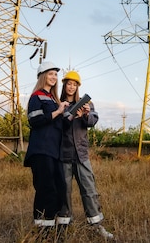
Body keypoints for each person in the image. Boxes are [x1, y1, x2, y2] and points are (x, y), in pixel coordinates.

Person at [59, 70, 114, 239]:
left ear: (78, 87)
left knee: (89, 190)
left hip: (81, 154)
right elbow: (57, 127)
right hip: (63, 154)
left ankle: (96, 226)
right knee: (64, 192)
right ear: (64, 85)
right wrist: (68, 115)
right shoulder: (59, 104)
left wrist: (86, 114)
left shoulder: (86, 103)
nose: (71, 87)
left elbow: (92, 122)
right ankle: (64, 227)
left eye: (74, 84)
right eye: (69, 83)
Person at [23, 61, 69, 233]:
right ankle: (42, 230)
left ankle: (55, 228)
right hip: (41, 150)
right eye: (50, 74)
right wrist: (57, 111)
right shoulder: (37, 96)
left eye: (56, 75)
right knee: (45, 188)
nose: (54, 77)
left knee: (59, 188)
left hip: (54, 152)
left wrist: (72, 115)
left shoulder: (53, 99)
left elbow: (60, 126)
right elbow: (34, 120)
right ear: (43, 76)